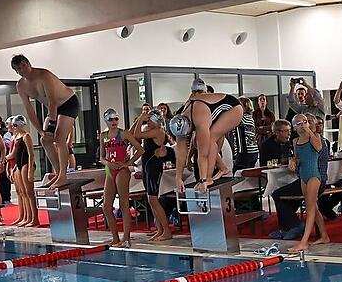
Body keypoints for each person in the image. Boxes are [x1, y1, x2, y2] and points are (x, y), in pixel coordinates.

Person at [11, 54, 81, 189]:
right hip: (53, 108)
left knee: (59, 138)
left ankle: (63, 177)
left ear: (29, 64)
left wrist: (51, 126)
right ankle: (58, 173)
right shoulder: (21, 85)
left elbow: (53, 101)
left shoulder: (44, 75)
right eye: (18, 69)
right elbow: (30, 110)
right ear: (16, 71)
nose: (22, 70)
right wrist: (41, 131)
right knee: (45, 140)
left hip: (68, 103)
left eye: (23, 66)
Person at [169, 78, 244, 193]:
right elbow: (181, 153)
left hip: (233, 109)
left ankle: (209, 177)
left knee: (208, 141)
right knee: (197, 141)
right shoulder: (179, 119)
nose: (187, 136)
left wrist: (203, 180)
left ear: (190, 124)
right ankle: (223, 168)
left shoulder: (199, 116)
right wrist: (178, 178)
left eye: (188, 133)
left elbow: (203, 154)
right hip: (213, 111)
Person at [100, 108, 143, 247]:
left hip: (122, 170)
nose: (114, 122)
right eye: (111, 119)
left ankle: (126, 238)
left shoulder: (123, 133)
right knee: (106, 207)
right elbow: (101, 157)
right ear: (106, 120)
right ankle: (115, 238)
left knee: (124, 204)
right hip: (109, 170)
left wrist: (129, 162)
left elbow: (140, 149)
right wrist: (107, 163)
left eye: (116, 119)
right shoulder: (103, 136)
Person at [287, 114, 329, 252]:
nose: (303, 125)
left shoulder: (314, 137)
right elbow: (297, 157)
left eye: (305, 122)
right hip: (303, 176)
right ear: (294, 127)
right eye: (299, 123)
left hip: (313, 176)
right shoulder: (295, 141)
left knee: (310, 208)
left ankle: (304, 242)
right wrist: (293, 161)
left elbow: (318, 148)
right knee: (314, 208)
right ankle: (324, 236)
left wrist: (310, 130)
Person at [132, 107, 173, 241]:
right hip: (147, 167)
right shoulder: (150, 130)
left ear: (156, 120)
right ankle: (160, 229)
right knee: (151, 200)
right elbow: (133, 134)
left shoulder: (158, 131)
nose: (147, 122)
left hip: (154, 167)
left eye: (149, 119)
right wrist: (140, 120)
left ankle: (167, 231)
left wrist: (140, 119)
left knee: (154, 200)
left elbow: (137, 135)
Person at [6, 116, 38, 227]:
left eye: (15, 125)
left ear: (21, 125)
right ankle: (26, 217)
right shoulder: (16, 137)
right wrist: (13, 168)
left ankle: (34, 218)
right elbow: (15, 154)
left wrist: (30, 170)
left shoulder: (26, 136)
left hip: (26, 164)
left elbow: (31, 154)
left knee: (29, 193)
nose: (14, 127)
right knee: (23, 193)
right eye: (13, 125)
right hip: (19, 166)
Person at [228, 96, 259, 170]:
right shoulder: (250, 118)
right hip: (253, 151)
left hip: (245, 151)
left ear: (245, 107)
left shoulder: (241, 118)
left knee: (237, 173)